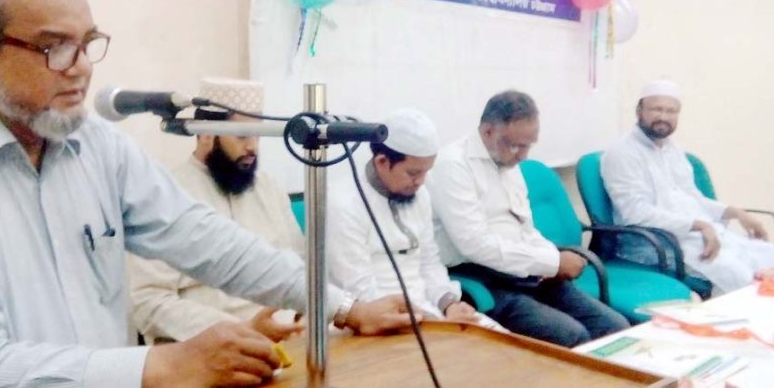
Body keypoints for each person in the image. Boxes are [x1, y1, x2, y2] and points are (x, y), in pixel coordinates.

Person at [0, 0, 414, 388]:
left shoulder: (96, 147)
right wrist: (160, 368)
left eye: (87, 43)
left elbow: (209, 241)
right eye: (54, 48)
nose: (80, 71)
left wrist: (340, 305)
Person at [427, 90, 629, 347]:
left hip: (525, 270)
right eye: (516, 145)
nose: (523, 155)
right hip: (482, 277)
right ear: (488, 131)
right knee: (572, 335)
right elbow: (475, 245)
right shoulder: (453, 165)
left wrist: (549, 260)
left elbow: (525, 228)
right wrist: (552, 261)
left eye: (529, 145)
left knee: (613, 327)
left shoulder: (508, 162)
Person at [129, 77, 305, 343]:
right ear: (206, 133)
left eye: (258, 135)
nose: (253, 147)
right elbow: (148, 301)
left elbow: (300, 269)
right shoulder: (166, 194)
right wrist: (241, 331)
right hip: (207, 351)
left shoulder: (268, 188)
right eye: (242, 135)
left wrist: (307, 314)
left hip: (288, 343)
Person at [327, 108, 501, 328]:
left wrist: (449, 303)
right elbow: (358, 289)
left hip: (429, 312)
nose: (421, 181)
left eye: (426, 172)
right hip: (377, 322)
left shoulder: (419, 194)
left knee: (505, 344)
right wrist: (432, 321)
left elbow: (429, 262)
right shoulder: (343, 203)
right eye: (413, 173)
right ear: (382, 162)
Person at [601, 79, 774, 293]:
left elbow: (693, 198)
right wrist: (700, 225)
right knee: (739, 276)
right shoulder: (622, 153)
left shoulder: (672, 149)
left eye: (671, 111)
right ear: (639, 111)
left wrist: (736, 213)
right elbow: (635, 213)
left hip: (696, 236)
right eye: (656, 109)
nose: (663, 117)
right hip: (657, 244)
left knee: (768, 255)